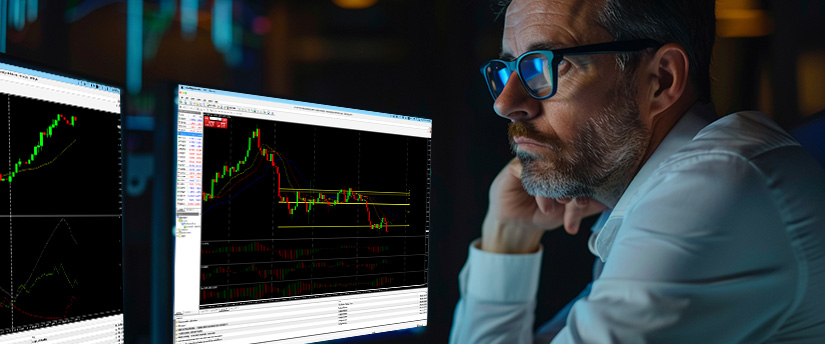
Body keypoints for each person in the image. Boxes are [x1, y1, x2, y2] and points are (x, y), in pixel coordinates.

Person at [449, 0, 825, 342]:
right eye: (507, 69)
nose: (505, 103)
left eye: (547, 64)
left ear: (661, 79)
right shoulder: (659, 191)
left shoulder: (715, 187)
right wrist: (509, 236)